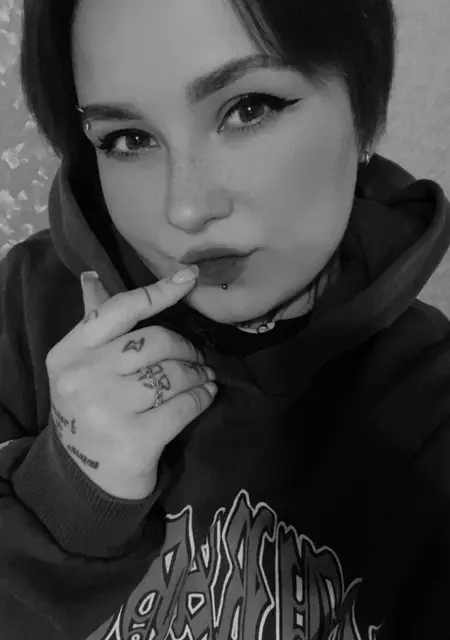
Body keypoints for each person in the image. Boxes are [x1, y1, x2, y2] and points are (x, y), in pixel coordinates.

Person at [1, 0, 450, 637]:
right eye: (128, 139)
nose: (185, 209)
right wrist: (69, 498)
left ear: (365, 110)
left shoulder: (431, 411)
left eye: (248, 109)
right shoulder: (27, 304)